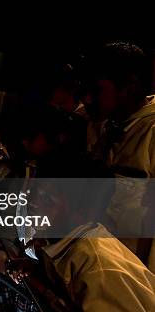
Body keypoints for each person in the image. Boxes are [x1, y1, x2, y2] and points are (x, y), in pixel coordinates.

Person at [21, 167, 155, 311]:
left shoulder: (97, 268)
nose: (33, 202)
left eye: (47, 199)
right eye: (34, 191)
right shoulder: (65, 241)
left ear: (79, 212)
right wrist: (38, 276)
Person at [81, 41, 155, 270]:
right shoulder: (103, 126)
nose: (87, 99)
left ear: (130, 85)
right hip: (101, 267)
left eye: (96, 89)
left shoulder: (151, 132)